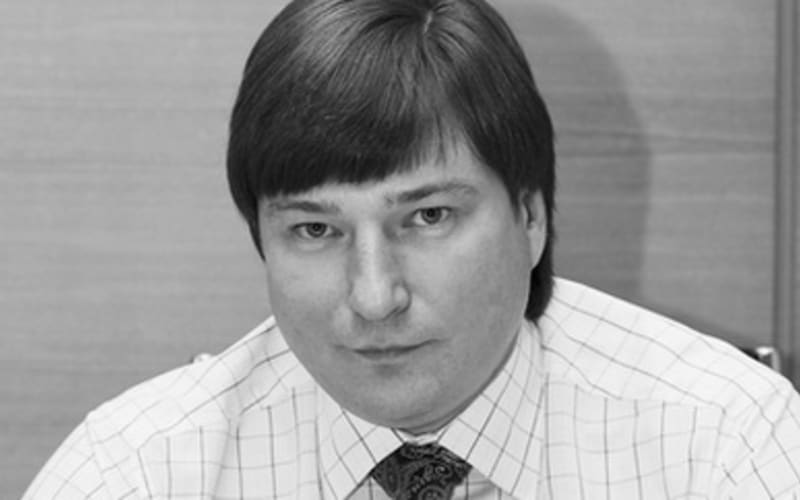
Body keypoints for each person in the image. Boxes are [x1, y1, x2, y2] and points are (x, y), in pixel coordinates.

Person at [23, 0, 800, 498]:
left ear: (531, 216)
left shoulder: (725, 447)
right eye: (315, 230)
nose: (373, 297)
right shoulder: (137, 472)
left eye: (428, 216)